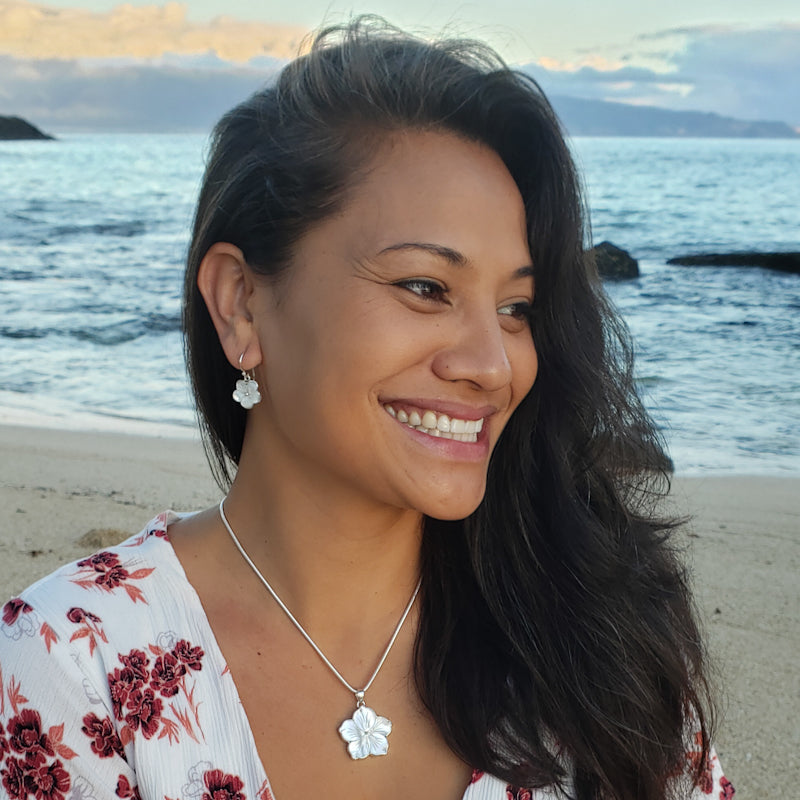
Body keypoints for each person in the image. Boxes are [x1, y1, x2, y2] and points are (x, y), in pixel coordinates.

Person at [0, 17, 733, 800]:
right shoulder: (76, 665)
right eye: (426, 288)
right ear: (242, 304)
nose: (493, 364)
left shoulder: (596, 642)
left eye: (517, 308)